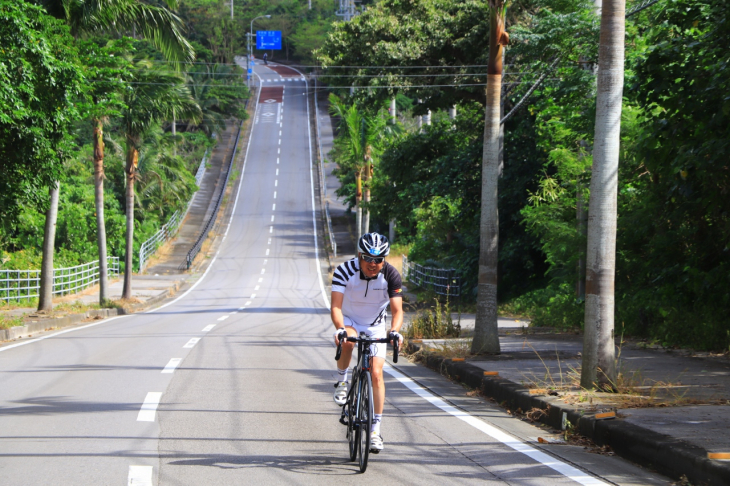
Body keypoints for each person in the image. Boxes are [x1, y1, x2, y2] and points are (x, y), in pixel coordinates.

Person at [331, 232, 404, 453]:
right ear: (360, 256)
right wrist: (340, 328)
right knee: (348, 343)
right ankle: (342, 382)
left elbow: (397, 310)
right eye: (369, 259)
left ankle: (375, 431)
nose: (374, 264)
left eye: (379, 259)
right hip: (350, 320)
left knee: (376, 373)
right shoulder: (344, 270)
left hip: (375, 326)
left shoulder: (391, 274)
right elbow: (335, 306)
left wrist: (394, 331)